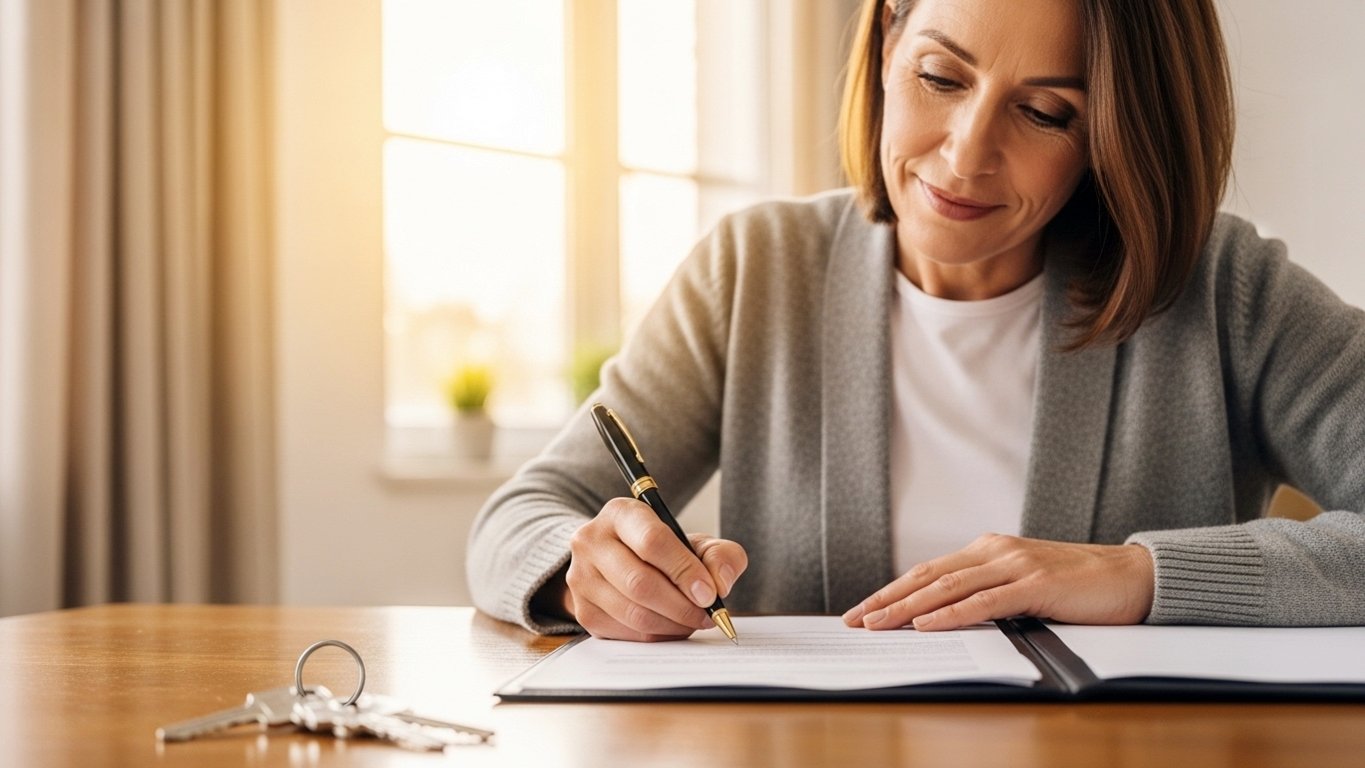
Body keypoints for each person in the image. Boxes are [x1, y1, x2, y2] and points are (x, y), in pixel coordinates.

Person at [466, 0, 1365, 641]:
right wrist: (585, 571)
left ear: (1116, 134)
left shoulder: (1222, 289)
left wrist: (1138, 575)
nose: (966, 154)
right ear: (889, 39)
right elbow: (521, 517)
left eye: (1046, 112)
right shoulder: (754, 270)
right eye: (941, 76)